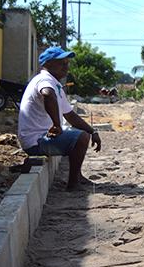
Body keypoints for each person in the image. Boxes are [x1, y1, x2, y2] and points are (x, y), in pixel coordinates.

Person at [17, 46, 102, 190]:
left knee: (83, 134)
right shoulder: (44, 80)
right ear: (48, 64)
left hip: (40, 137)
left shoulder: (55, 84)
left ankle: (78, 177)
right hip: (35, 141)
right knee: (80, 138)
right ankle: (73, 184)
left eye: (67, 63)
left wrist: (92, 131)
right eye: (62, 63)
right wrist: (57, 124)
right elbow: (47, 94)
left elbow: (70, 115)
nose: (66, 67)